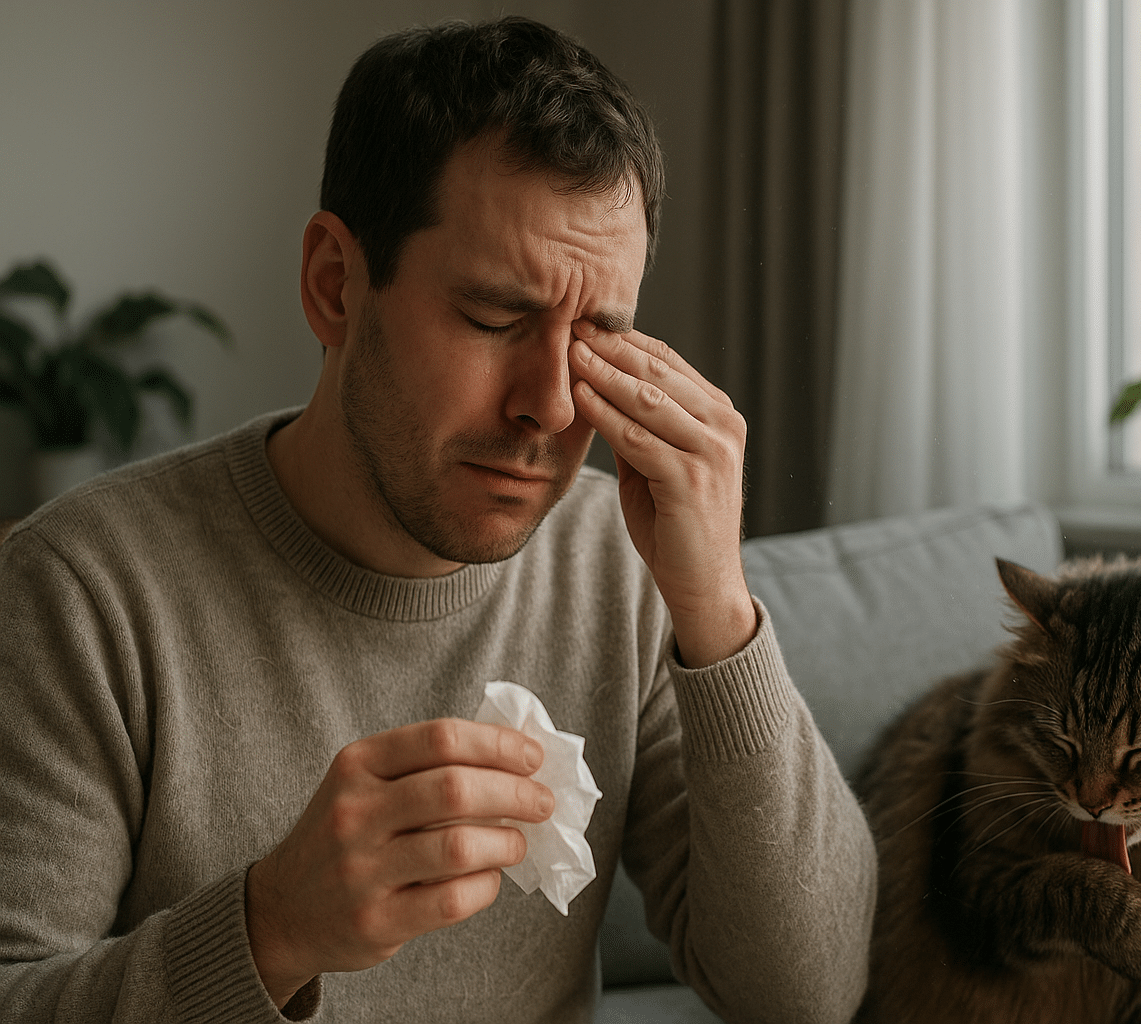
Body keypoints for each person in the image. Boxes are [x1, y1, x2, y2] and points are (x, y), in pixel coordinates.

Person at [0, 17, 876, 1023]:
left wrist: (718, 603)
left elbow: (807, 994)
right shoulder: (85, 586)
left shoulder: (620, 565)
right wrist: (270, 928)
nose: (548, 404)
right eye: (495, 319)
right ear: (337, 285)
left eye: (599, 336)